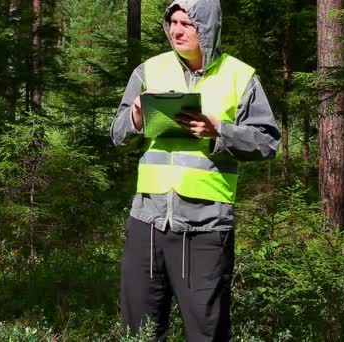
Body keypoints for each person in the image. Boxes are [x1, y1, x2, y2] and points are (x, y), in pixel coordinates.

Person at [110, 0, 280, 340]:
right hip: (147, 223)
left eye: (186, 23)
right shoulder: (149, 71)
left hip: (205, 228)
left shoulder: (240, 76)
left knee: (206, 333)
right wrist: (137, 117)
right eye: (172, 21)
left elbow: (267, 142)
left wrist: (221, 131)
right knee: (138, 334)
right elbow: (117, 134)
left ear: (206, 26)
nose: (176, 30)